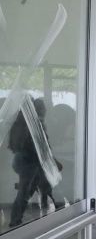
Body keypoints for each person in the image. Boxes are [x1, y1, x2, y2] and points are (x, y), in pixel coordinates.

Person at [8, 97, 61, 228]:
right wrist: (53, 161)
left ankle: (18, 219)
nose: (46, 111)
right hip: (30, 161)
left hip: (22, 160)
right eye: (43, 108)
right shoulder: (35, 124)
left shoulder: (19, 122)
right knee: (29, 191)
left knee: (40, 188)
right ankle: (16, 220)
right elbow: (43, 147)